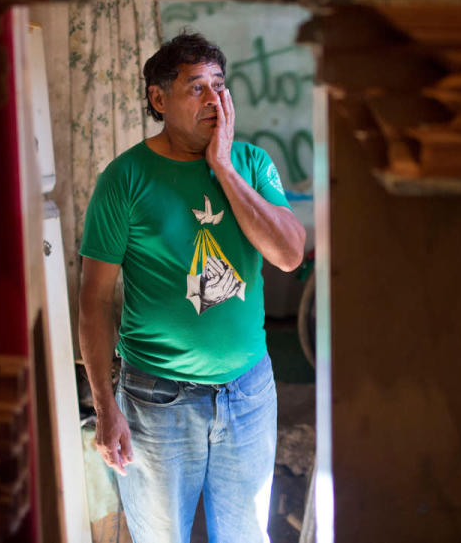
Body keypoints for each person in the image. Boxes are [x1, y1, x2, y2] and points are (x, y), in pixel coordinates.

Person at [77, 32, 306, 543]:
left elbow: (290, 255)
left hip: (248, 393)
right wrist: (105, 408)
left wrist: (222, 168)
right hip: (155, 400)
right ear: (159, 100)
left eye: (219, 87)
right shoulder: (124, 179)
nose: (212, 100)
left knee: (246, 535)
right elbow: (94, 301)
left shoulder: (249, 163)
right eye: (195, 88)